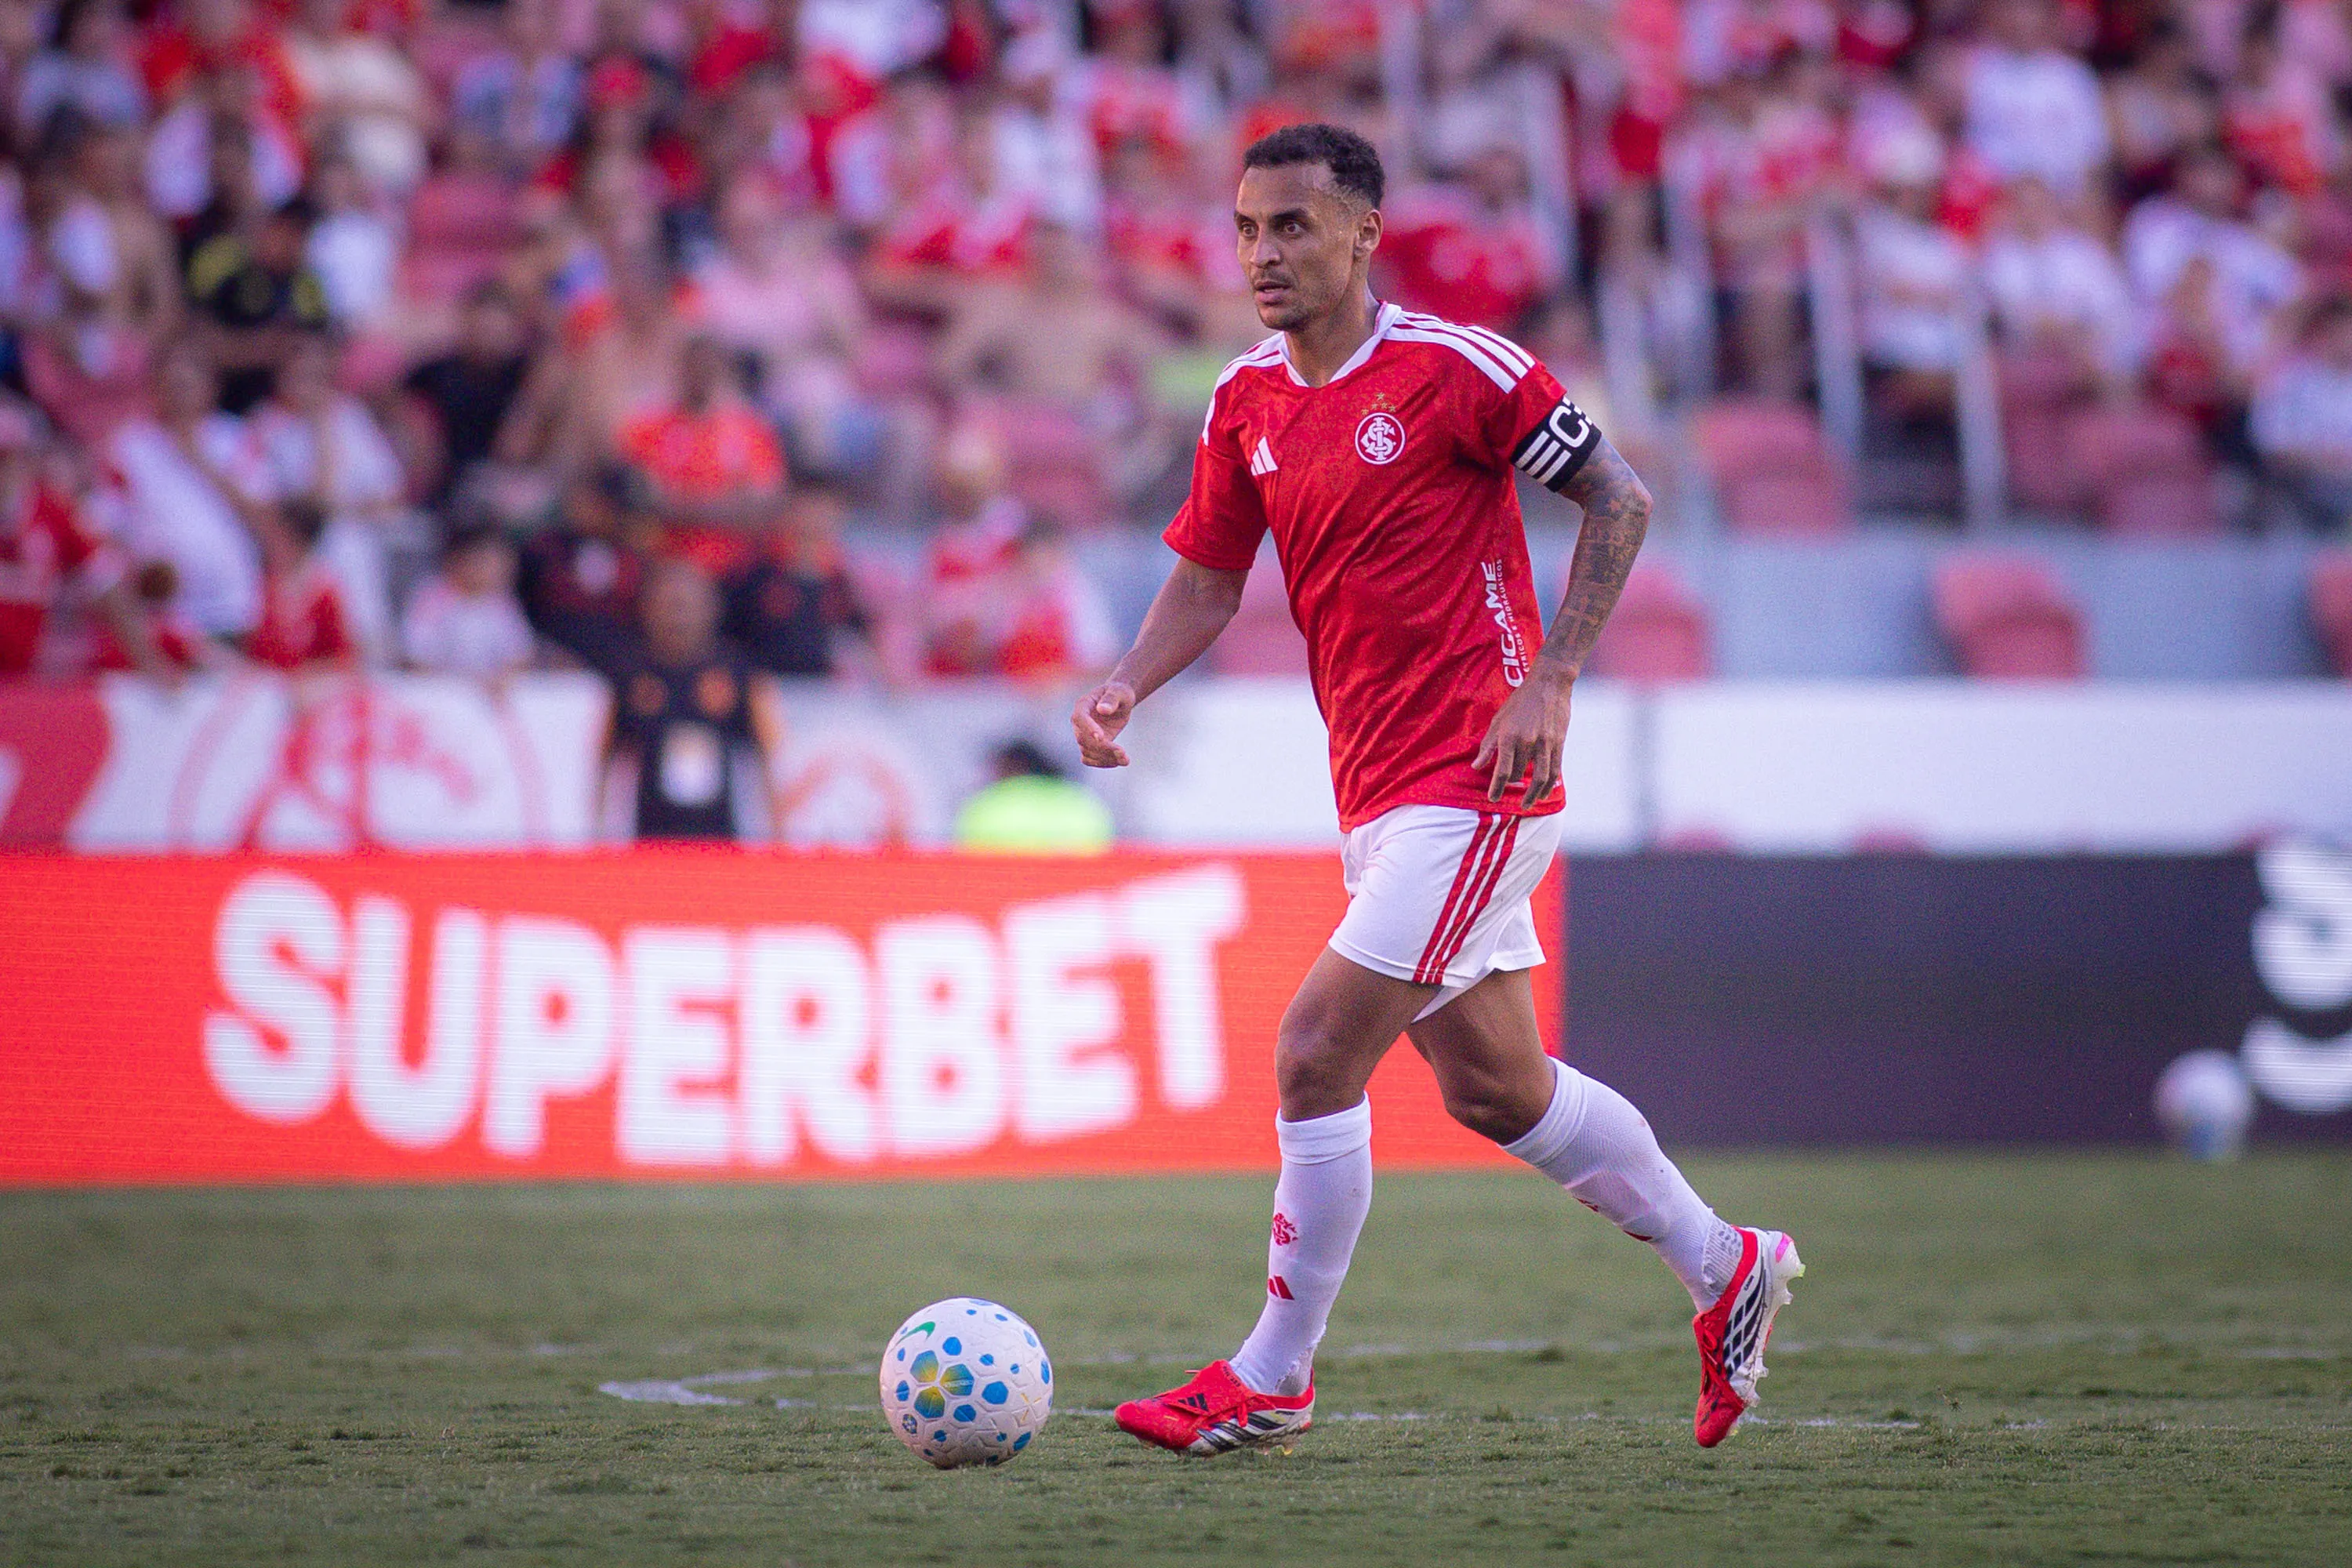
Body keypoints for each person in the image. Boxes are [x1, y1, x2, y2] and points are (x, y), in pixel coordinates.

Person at [1073, 124, 1800, 1457]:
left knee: (1311, 1052)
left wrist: (1556, 677)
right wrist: (1130, 681)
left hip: (1479, 773)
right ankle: (1726, 1263)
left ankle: (1274, 1375)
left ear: (1364, 234)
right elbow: (1210, 576)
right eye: (1245, 229)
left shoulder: (1460, 369)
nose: (1262, 253)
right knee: (1494, 1090)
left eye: (1291, 225)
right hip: (1377, 792)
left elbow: (1620, 501)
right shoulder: (1245, 401)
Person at [605, 556, 786, 841]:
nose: (677, 615)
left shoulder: (737, 669)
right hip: (650, 835)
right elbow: (608, 756)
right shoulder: (630, 671)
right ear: (647, 608)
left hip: (721, 832)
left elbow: (769, 750)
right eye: (668, 604)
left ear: (711, 608)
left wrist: (777, 832)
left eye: (685, 604)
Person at [401, 523, 537, 680]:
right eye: (489, 562)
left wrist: (503, 676)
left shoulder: (501, 602)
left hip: (487, 690)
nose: (500, 570)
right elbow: (416, 658)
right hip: (440, 689)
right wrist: (472, 681)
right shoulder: (432, 598)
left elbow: (520, 655)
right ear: (460, 560)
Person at [953, 738, 1113, 854]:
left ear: (1009, 767)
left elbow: (968, 856)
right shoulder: (1079, 800)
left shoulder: (987, 804)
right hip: (1077, 893)